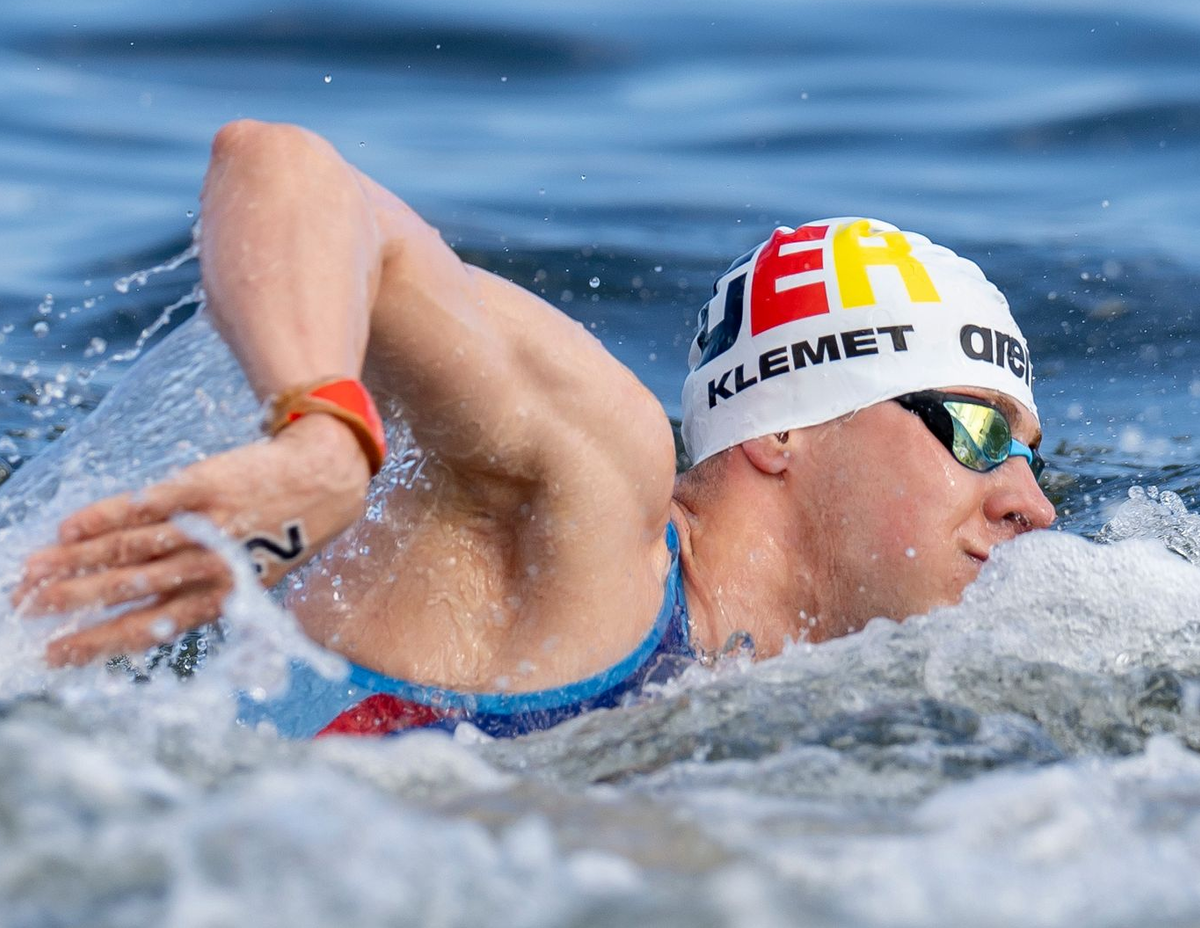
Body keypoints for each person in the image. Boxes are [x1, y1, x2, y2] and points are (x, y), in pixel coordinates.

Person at [14, 121, 1055, 737]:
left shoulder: (800, 704)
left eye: (1029, 455)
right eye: (974, 428)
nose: (1031, 500)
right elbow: (280, 165)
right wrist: (323, 435)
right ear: (784, 431)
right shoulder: (590, 506)